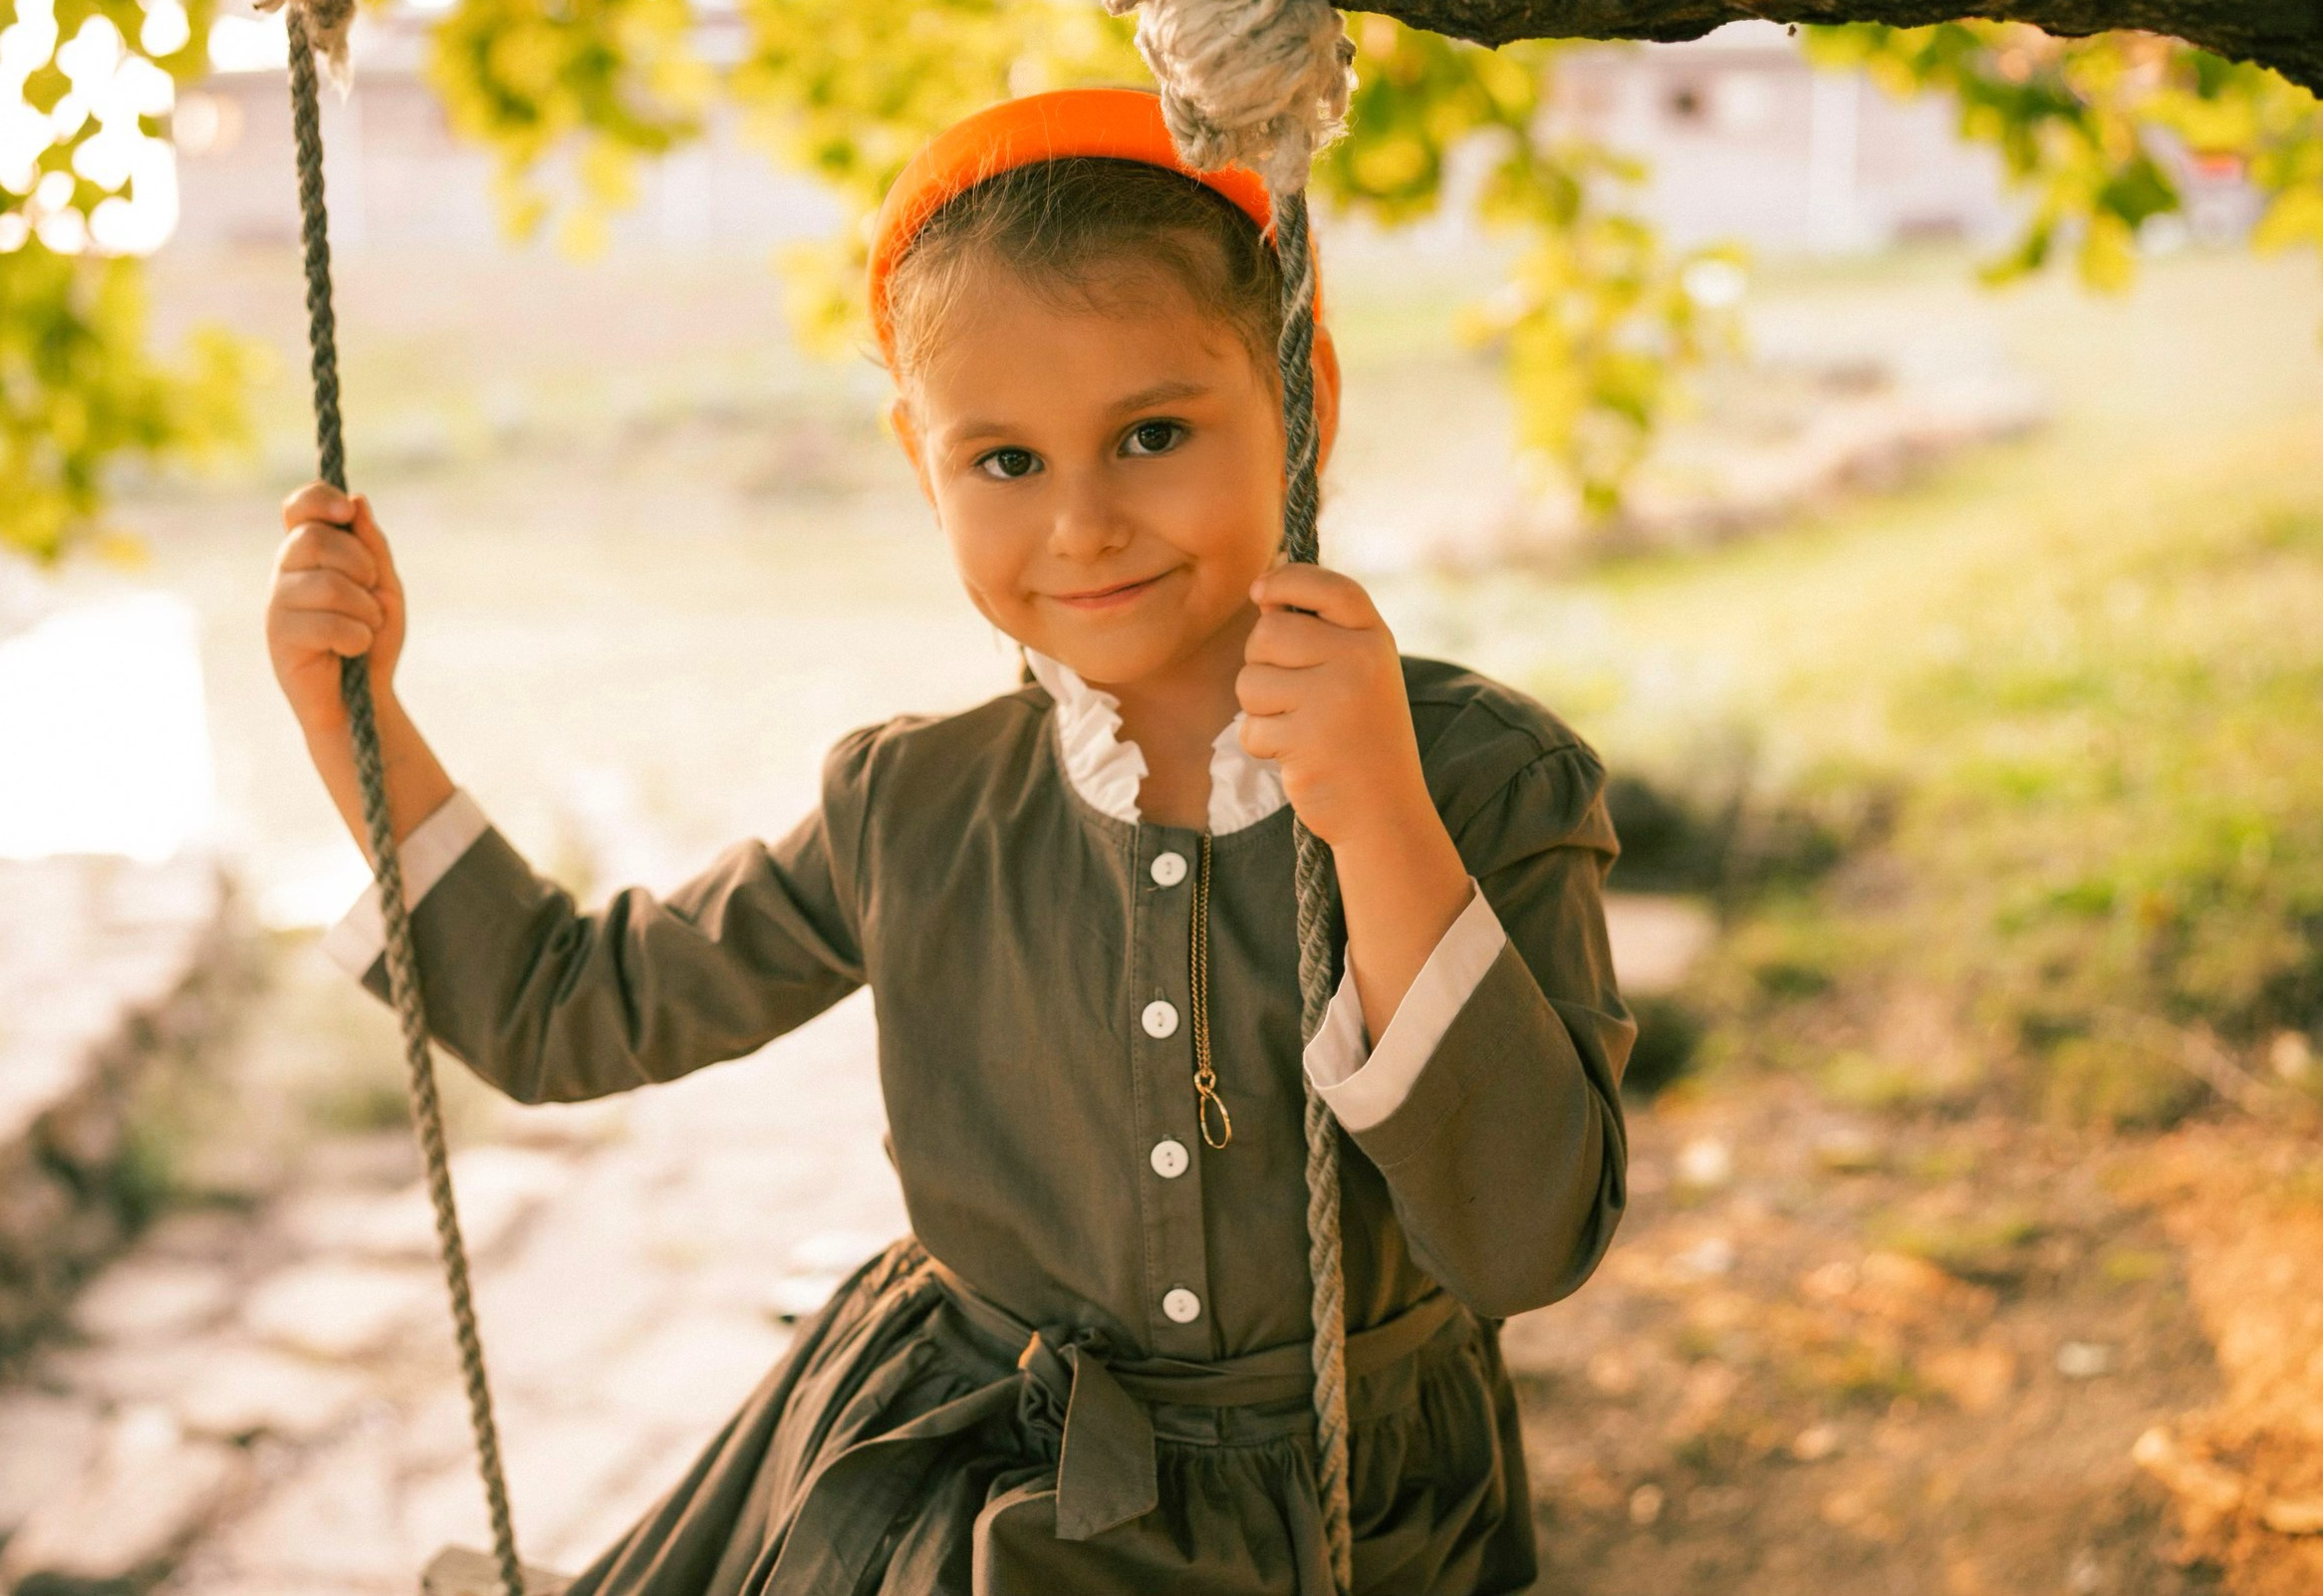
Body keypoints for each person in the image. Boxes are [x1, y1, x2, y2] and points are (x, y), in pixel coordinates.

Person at [263, 87, 1634, 1596]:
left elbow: (1527, 1243)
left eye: (1153, 432)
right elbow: (566, 1013)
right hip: (974, 1497)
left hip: (1368, 1522)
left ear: (1303, 394)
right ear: (923, 461)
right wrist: (353, 722)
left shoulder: (1488, 783)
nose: (1083, 525)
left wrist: (1375, 812)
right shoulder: (910, 811)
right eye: (1005, 463)